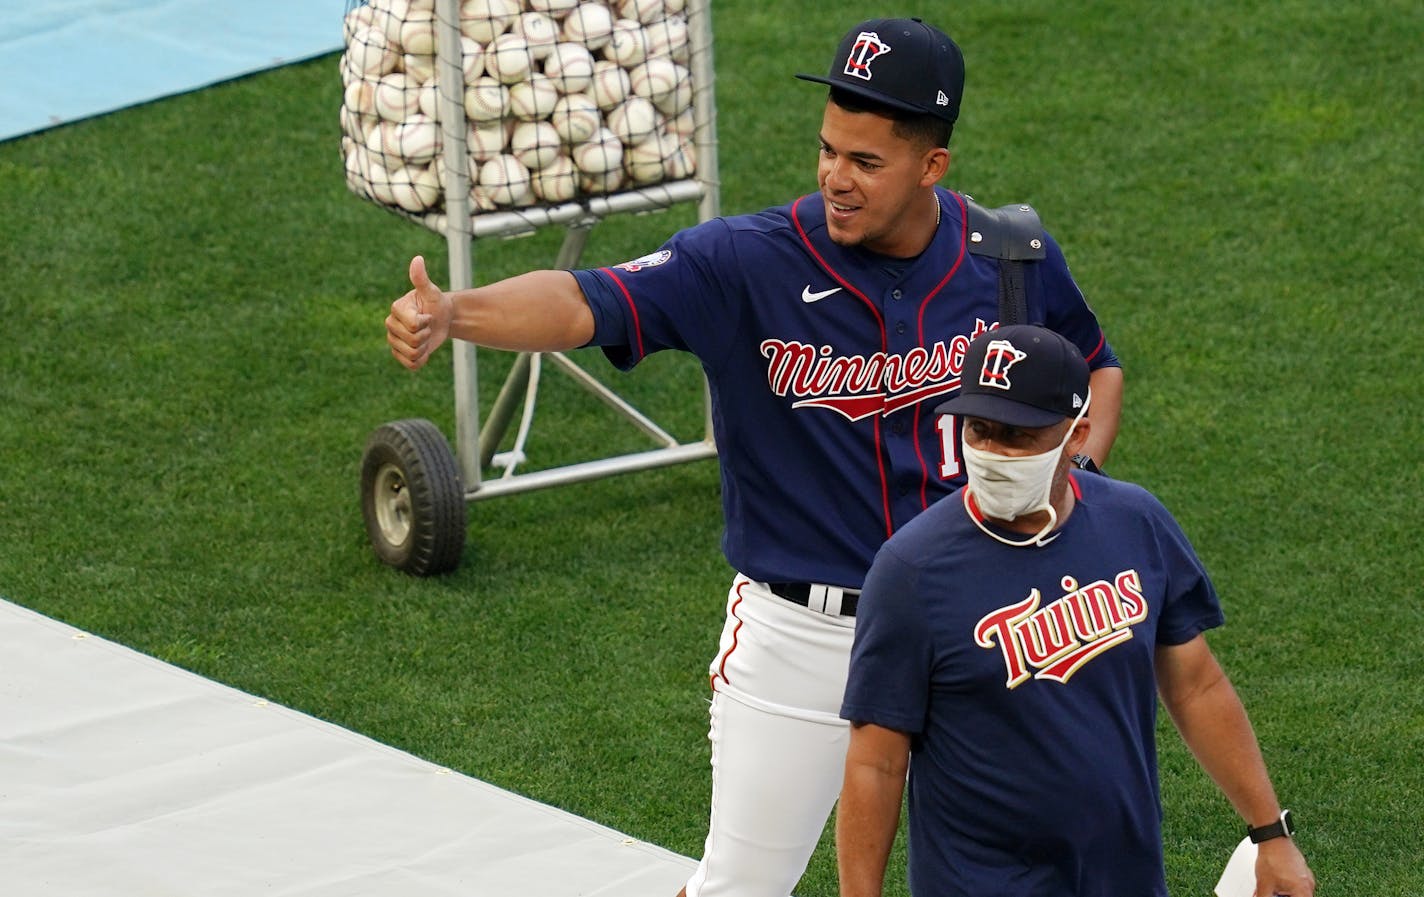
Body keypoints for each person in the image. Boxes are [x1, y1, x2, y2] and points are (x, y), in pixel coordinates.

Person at [386, 17, 1125, 897]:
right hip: (800, 639)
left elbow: (1091, 364)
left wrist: (1068, 480)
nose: (833, 179)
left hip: (969, 616)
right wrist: (455, 314)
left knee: (1008, 877)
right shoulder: (746, 261)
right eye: (827, 150)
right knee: (742, 884)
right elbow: (586, 301)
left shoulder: (1007, 257)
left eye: (865, 162)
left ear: (932, 166)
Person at [837, 324, 1316, 897]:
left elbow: (1196, 686)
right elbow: (876, 762)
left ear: (1077, 435)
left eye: (1017, 436)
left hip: (1125, 876)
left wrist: (1271, 833)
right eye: (978, 429)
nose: (990, 454)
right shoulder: (911, 571)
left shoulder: (1136, 523)